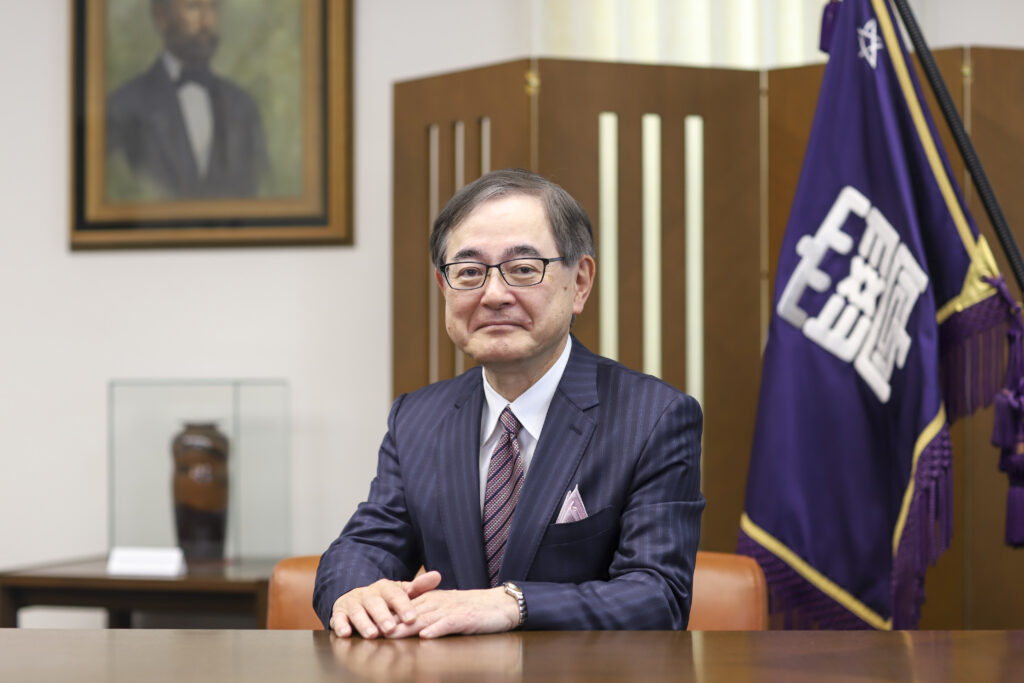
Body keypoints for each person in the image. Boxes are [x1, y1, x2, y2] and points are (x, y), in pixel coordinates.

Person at [314, 169, 704, 638]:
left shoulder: (653, 417)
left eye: (523, 269)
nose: (494, 294)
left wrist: (513, 603)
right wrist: (355, 591)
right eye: (469, 272)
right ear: (444, 288)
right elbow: (364, 546)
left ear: (579, 282)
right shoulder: (417, 417)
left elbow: (658, 595)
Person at [105, 0, 268, 199]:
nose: (207, 22)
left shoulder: (242, 107)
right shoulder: (123, 107)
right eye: (194, 7)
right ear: (161, 17)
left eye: (213, 7)